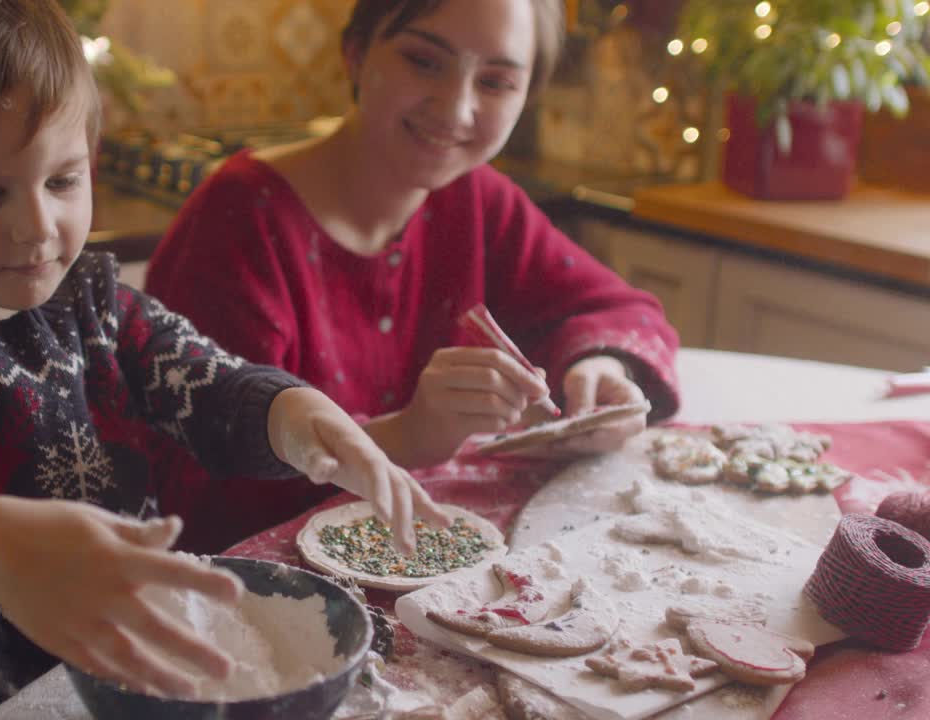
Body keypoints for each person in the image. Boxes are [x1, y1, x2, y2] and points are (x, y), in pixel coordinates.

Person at [0, 1, 449, 717]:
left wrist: (303, 418)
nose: (38, 227)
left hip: (136, 685)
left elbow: (220, 394)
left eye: (63, 180)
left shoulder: (99, 308)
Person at [146, 0, 680, 550]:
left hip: (427, 561)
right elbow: (200, 490)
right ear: (354, 54)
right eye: (424, 61)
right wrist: (407, 435)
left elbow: (621, 312)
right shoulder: (241, 217)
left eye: (496, 82)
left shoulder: (477, 197)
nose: (455, 107)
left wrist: (600, 365)